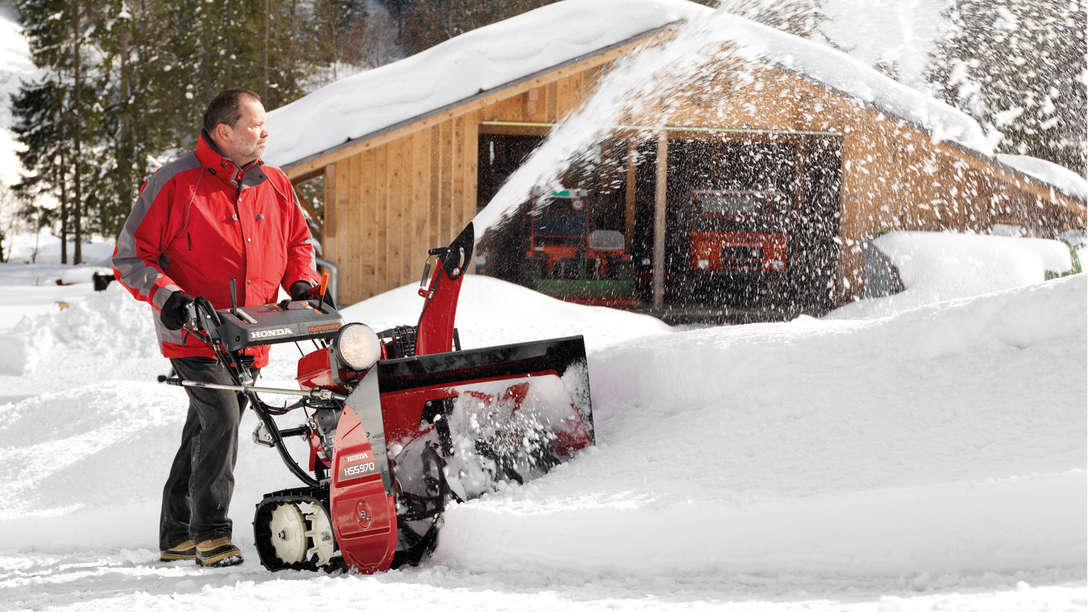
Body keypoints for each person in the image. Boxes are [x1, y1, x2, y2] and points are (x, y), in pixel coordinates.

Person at [113, 88, 323, 567]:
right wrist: (172, 299)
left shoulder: (274, 182)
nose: (265, 132)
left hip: (252, 335)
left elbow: (297, 242)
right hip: (194, 333)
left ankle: (175, 533)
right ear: (224, 131)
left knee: (207, 429)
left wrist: (304, 283)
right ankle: (210, 533)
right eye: (256, 124)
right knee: (223, 419)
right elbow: (130, 257)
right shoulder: (174, 183)